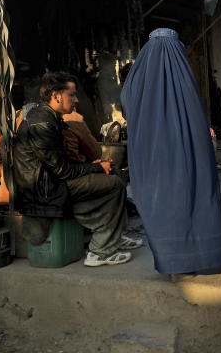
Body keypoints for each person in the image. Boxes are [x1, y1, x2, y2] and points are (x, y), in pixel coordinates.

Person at [120, 28, 221, 275]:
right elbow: (195, 113)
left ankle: (173, 262)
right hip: (186, 150)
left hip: (149, 152)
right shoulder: (182, 73)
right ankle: (202, 258)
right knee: (193, 197)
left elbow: (127, 107)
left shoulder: (136, 77)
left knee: (163, 204)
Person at [12, 71, 142, 266]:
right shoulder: (42, 124)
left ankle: (113, 237)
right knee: (114, 182)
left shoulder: (49, 117)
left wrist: (93, 166)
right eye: (71, 95)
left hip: (52, 183)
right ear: (56, 96)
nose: (76, 100)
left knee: (112, 173)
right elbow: (62, 171)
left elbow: (60, 164)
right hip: (44, 192)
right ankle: (100, 251)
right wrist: (95, 169)